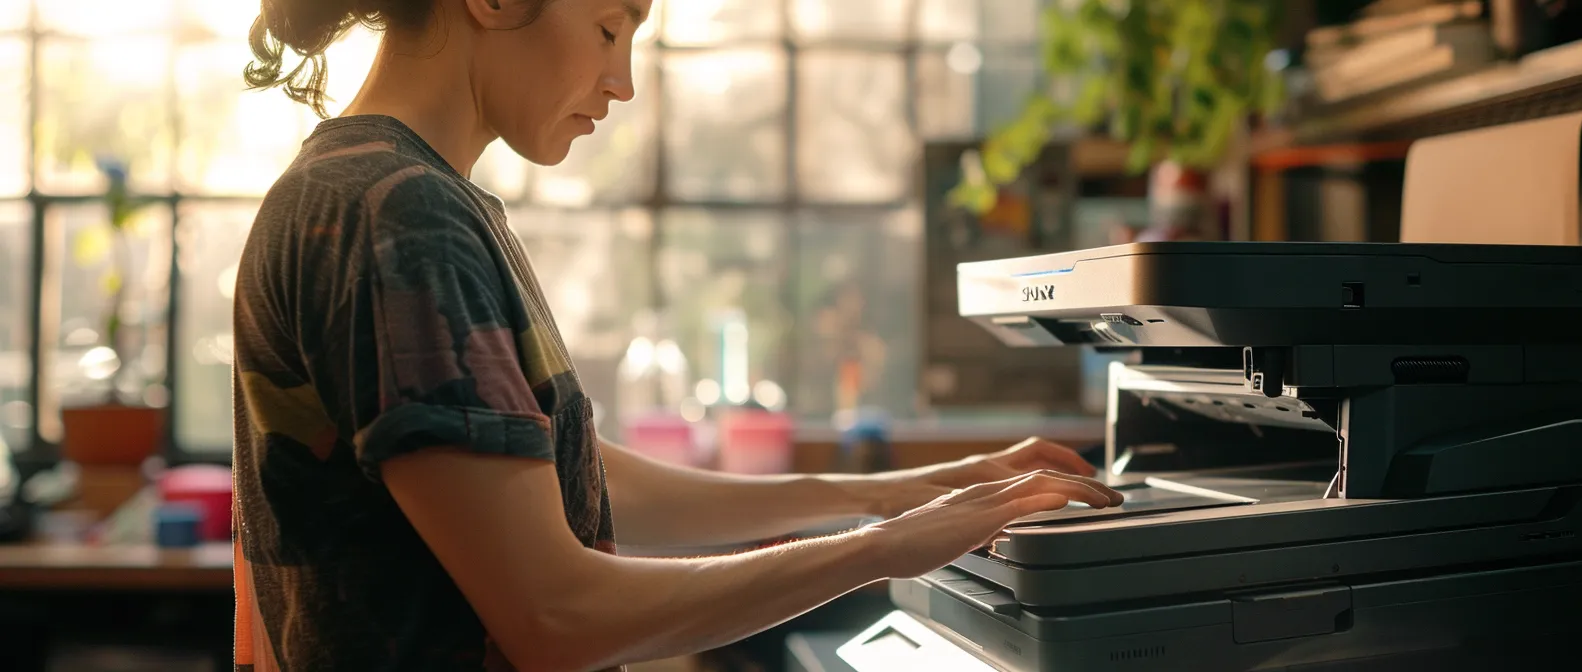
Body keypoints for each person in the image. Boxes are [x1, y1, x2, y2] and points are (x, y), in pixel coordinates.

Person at [231, 0, 1125, 670]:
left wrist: (896, 493)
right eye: (611, 29)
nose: (622, 82)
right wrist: (889, 547)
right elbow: (556, 614)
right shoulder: (396, 213)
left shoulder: (387, 191)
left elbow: (560, 475)